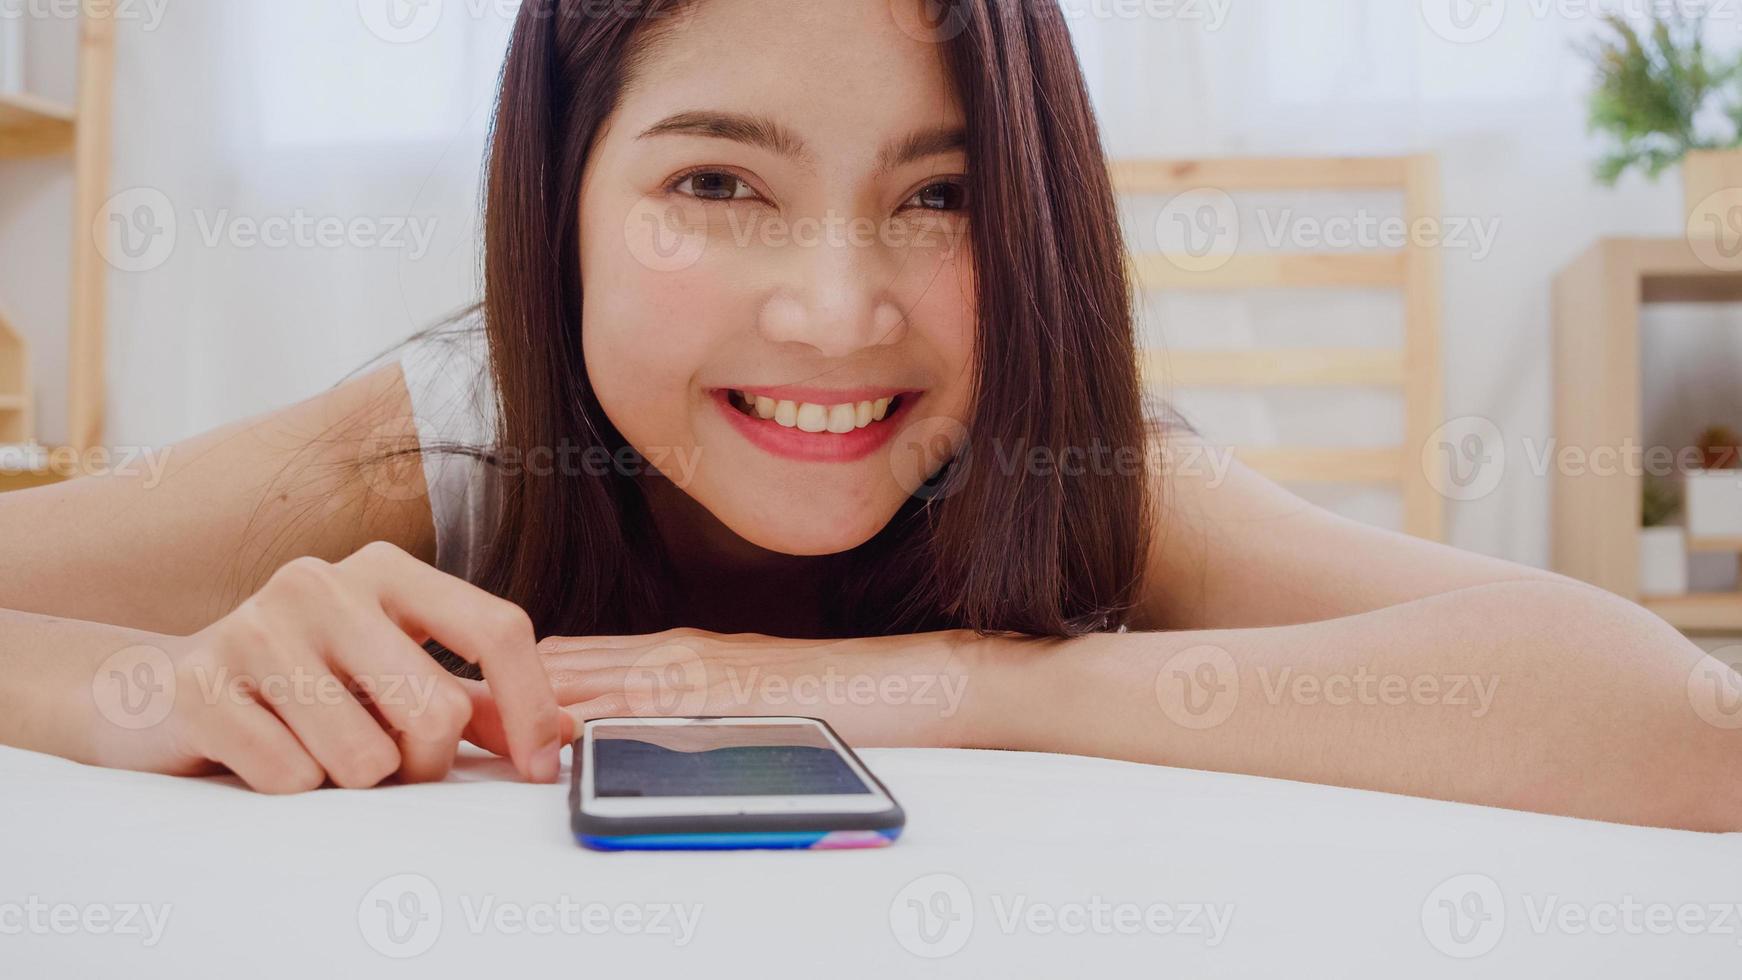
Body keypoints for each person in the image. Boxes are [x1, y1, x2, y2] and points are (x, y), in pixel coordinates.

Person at [1, 0, 1735, 832]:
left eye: (942, 195)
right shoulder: (442, 445)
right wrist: (137, 687)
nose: (837, 314)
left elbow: (1689, 728)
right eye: (714, 181)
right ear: (560, 207)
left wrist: (949, 682)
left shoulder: (1071, 462)